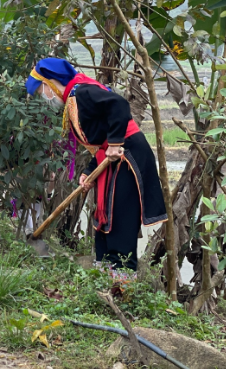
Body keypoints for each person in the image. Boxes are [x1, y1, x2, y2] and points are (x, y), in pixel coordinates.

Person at [26, 58, 167, 270]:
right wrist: (89, 171)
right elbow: (102, 140)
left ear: (50, 83)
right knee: (104, 216)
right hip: (112, 156)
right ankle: (105, 270)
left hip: (127, 156)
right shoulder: (74, 96)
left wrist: (115, 143)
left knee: (120, 215)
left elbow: (119, 105)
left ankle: (122, 277)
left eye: (40, 91)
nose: (43, 97)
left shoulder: (82, 91)